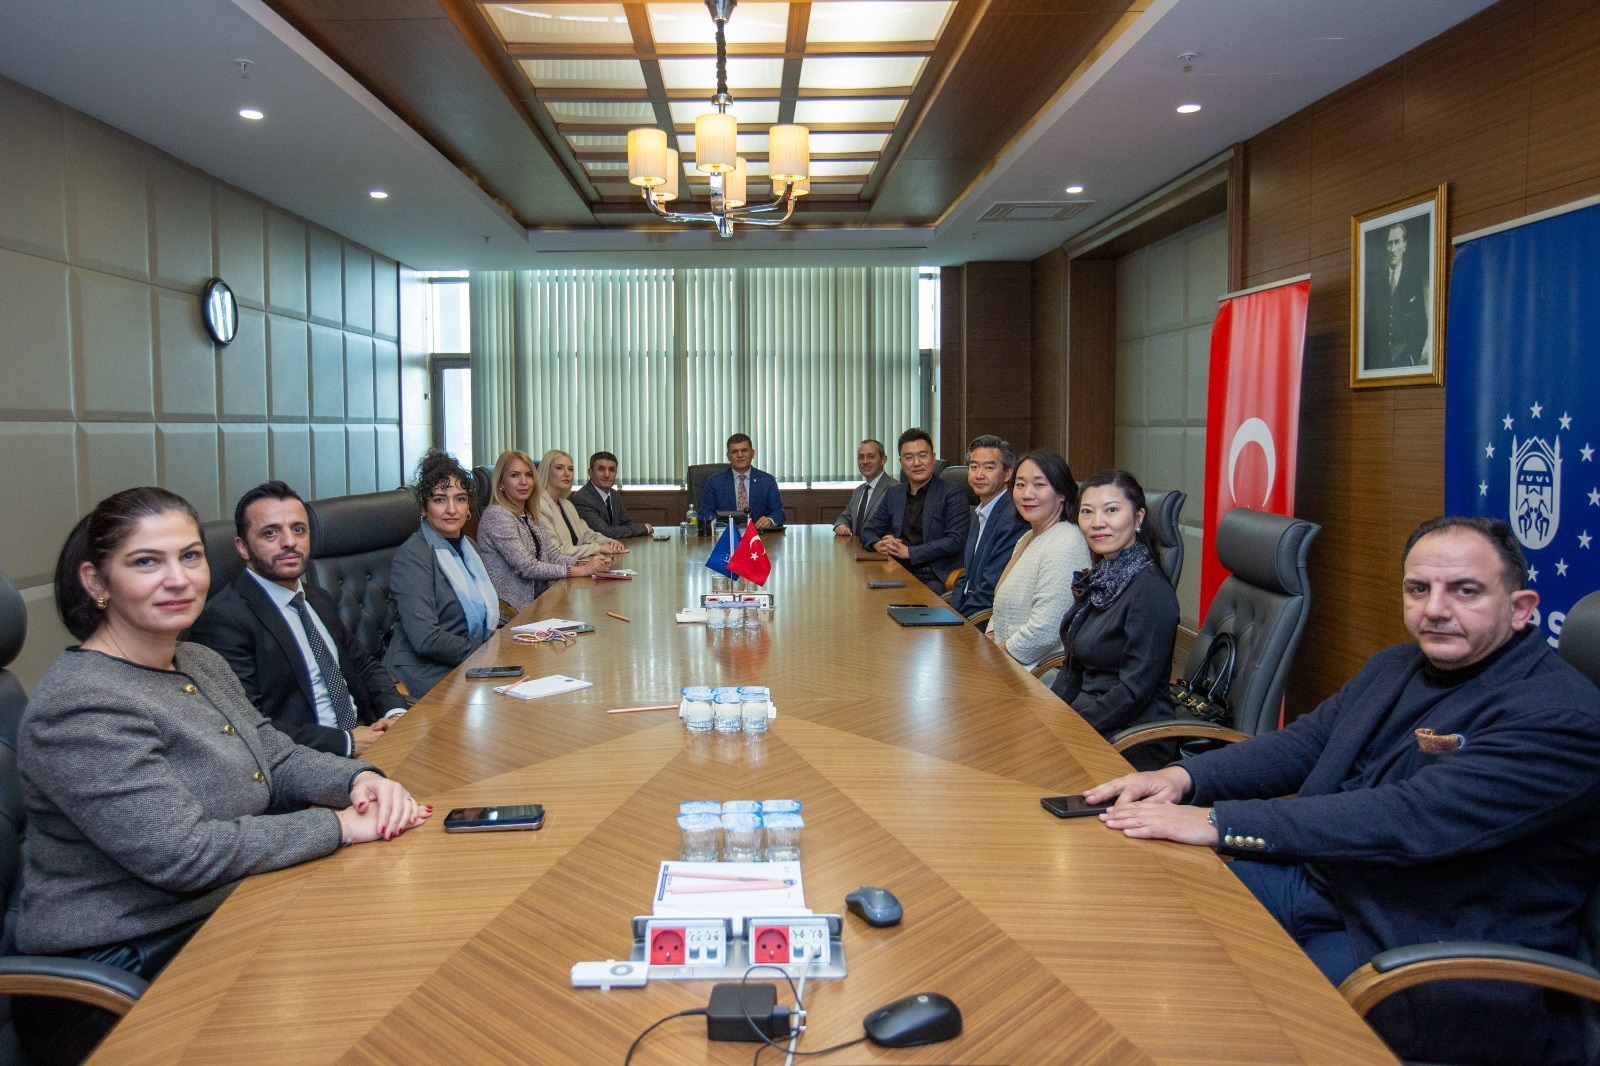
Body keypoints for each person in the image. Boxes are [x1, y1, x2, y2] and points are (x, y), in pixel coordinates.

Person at [1085, 516, 1600, 1066]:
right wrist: (1183, 779)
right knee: (1138, 917)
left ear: (1520, 608)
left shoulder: (1560, 717)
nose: (1435, 609)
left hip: (1424, 947)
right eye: (1418, 588)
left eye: (1465, 591)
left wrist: (1219, 821)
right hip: (1326, 882)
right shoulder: (1397, 665)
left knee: (1219, 1022)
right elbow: (1303, 745)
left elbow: (1408, 818)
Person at [16, 487, 429, 1066]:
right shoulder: (82, 705)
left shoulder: (198, 662)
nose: (178, 579)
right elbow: (184, 855)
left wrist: (359, 781)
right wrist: (339, 827)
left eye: (190, 556)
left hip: (230, 910)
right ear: (95, 581)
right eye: (146, 562)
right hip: (125, 970)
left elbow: (275, 756)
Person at [189, 481, 407, 757]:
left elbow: (363, 665)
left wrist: (395, 714)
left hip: (372, 738)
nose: (290, 542)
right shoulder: (223, 620)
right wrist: (346, 742)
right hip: (310, 759)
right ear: (242, 547)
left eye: (298, 529)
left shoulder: (316, 597)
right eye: (271, 533)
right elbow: (247, 723)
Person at [1050, 469, 1178, 756]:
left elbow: (1135, 691)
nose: (1098, 522)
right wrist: (1047, 716)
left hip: (1131, 736)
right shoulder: (1102, 578)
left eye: (1111, 510)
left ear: (1139, 518)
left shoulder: (1151, 591)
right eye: (1087, 511)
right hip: (1090, 719)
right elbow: (1073, 668)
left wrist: (1070, 730)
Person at [383, 450, 502, 698]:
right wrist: (486, 650)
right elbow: (426, 639)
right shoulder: (413, 557)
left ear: (469, 506)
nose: (451, 509)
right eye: (439, 500)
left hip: (467, 661)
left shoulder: (469, 547)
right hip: (425, 672)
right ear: (424, 507)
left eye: (460, 499)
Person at [986, 450, 1089, 668]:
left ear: (1062, 493)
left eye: (1039, 485)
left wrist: (993, 656)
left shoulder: (1066, 542)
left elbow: (1046, 630)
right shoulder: (1027, 537)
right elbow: (1000, 608)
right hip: (1006, 660)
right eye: (1020, 485)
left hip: (1038, 672)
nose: (1027, 494)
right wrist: (988, 642)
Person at [477, 449, 610, 612]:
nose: (524, 482)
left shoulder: (529, 513)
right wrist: (580, 570)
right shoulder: (497, 515)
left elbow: (552, 555)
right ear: (501, 483)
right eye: (515, 475)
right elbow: (527, 567)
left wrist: (586, 563)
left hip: (542, 600)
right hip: (514, 610)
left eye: (529, 475)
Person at [861, 429, 970, 593]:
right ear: (901, 462)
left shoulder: (952, 492)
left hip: (933, 575)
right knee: (864, 591)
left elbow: (955, 541)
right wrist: (879, 544)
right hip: (898, 568)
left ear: (933, 457)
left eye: (922, 455)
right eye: (909, 457)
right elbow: (868, 531)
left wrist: (910, 552)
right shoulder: (894, 493)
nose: (916, 463)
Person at [948, 435, 1026, 618]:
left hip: (984, 619)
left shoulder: (1013, 519)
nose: (979, 475)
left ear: (1008, 474)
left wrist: (957, 620)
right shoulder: (981, 511)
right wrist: (949, 612)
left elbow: (990, 591)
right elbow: (967, 577)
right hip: (967, 612)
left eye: (989, 468)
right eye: (974, 467)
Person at [535, 449, 628, 559]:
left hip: (577, 564)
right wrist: (598, 548)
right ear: (546, 471)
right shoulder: (538, 506)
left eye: (570, 469)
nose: (567, 473)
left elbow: (587, 534)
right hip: (558, 568)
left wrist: (610, 542)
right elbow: (557, 551)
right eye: (559, 468)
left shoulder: (567, 505)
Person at [1364, 219, 1429, 370]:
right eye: (1389, 243)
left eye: (1397, 242)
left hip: (1405, 359)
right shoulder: (1377, 286)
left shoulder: (1413, 281)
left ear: (1404, 246)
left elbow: (1421, 324)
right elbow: (1370, 329)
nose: (1392, 249)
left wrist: (1413, 355)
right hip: (1380, 363)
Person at [698, 433, 785, 530]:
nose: (740, 455)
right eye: (734, 452)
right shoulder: (714, 482)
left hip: (758, 535)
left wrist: (769, 520)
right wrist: (717, 524)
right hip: (725, 535)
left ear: (752, 453)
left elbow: (778, 512)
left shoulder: (767, 481)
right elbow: (705, 511)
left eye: (744, 450)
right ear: (728, 456)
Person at [571, 451, 653, 539]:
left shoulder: (614, 495)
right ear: (590, 472)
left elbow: (628, 524)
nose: (607, 475)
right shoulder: (582, 499)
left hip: (617, 545)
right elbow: (605, 532)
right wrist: (644, 528)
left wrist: (635, 529)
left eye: (611, 470)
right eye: (601, 469)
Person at [831, 439, 895, 541]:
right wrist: (840, 525)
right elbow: (845, 517)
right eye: (861, 457)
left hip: (880, 548)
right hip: (855, 548)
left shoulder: (895, 489)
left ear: (883, 459)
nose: (865, 462)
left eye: (871, 456)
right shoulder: (858, 491)